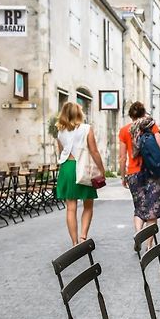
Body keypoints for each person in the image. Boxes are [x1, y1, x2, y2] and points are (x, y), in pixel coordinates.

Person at [56, 102, 105, 246]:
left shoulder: (60, 131)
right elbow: (94, 151)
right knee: (88, 205)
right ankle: (83, 237)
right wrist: (101, 169)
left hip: (67, 168)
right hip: (83, 168)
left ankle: (74, 242)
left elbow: (61, 152)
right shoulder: (86, 129)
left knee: (70, 208)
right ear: (78, 113)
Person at [119, 101, 160, 245]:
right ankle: (148, 245)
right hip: (153, 171)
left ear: (130, 115)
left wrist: (123, 176)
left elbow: (122, 157)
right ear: (143, 112)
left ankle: (138, 235)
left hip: (134, 173)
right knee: (152, 209)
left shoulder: (124, 131)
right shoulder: (150, 126)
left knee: (139, 208)